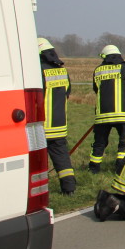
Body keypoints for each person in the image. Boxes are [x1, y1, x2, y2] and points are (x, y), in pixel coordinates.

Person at [89, 44, 125, 174]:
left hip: (103, 115)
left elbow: (96, 89)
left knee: (99, 143)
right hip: (122, 114)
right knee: (124, 142)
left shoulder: (98, 70)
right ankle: (119, 167)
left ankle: (93, 169)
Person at [38, 38, 77, 196]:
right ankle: (69, 188)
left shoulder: (39, 70)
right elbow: (67, 93)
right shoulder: (62, 71)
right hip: (59, 125)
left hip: (41, 125)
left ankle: (39, 189)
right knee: (62, 157)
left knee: (38, 159)